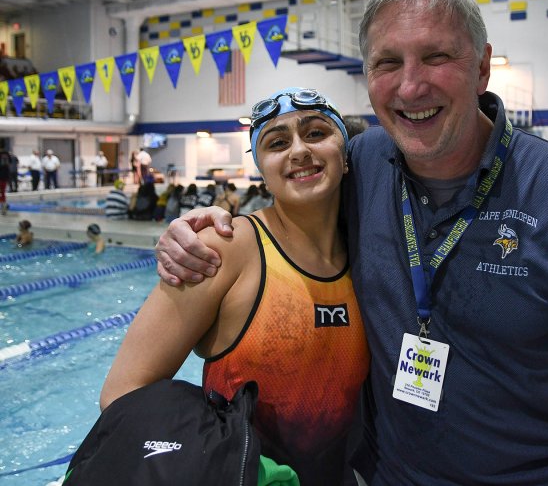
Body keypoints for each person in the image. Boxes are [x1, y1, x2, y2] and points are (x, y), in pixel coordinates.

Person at [154, 0, 548, 486]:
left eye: (436, 57)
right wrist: (194, 229)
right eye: (388, 63)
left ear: (482, 67)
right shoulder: (360, 164)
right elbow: (286, 214)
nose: (411, 86)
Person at [100, 87, 368, 486]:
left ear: (345, 156)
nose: (298, 150)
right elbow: (123, 395)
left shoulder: (370, 254)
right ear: (261, 168)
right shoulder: (223, 248)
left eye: (315, 133)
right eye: (277, 142)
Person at [0, 146, 9, 215]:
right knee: (2, 192)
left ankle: (3, 205)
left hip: (2, 177)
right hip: (4, 178)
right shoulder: (7, 157)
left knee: (2, 192)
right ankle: (3, 205)